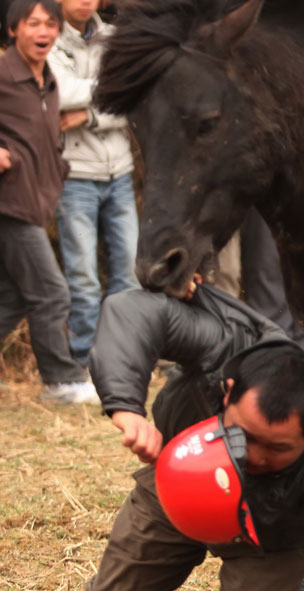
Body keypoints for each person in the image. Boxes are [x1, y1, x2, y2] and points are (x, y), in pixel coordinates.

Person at [81, 280, 304, 591]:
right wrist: (125, 405)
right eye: (243, 435)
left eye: (277, 448)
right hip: (183, 476)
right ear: (229, 392)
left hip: (274, 529)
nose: (253, 456)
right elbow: (133, 312)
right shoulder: (225, 343)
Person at [0, 0, 98, 404]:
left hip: (36, 199)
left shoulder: (48, 78)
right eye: (33, 23)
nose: (43, 31)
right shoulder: (3, 72)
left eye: (49, 24)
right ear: (13, 30)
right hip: (9, 202)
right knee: (52, 293)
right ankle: (61, 381)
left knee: (13, 296)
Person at [47, 0, 140, 368]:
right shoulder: (48, 39)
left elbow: (133, 98)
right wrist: (109, 92)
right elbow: (60, 95)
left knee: (130, 272)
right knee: (83, 277)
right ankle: (86, 361)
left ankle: (125, 355)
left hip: (120, 171)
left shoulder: (116, 39)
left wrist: (87, 113)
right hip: (75, 176)